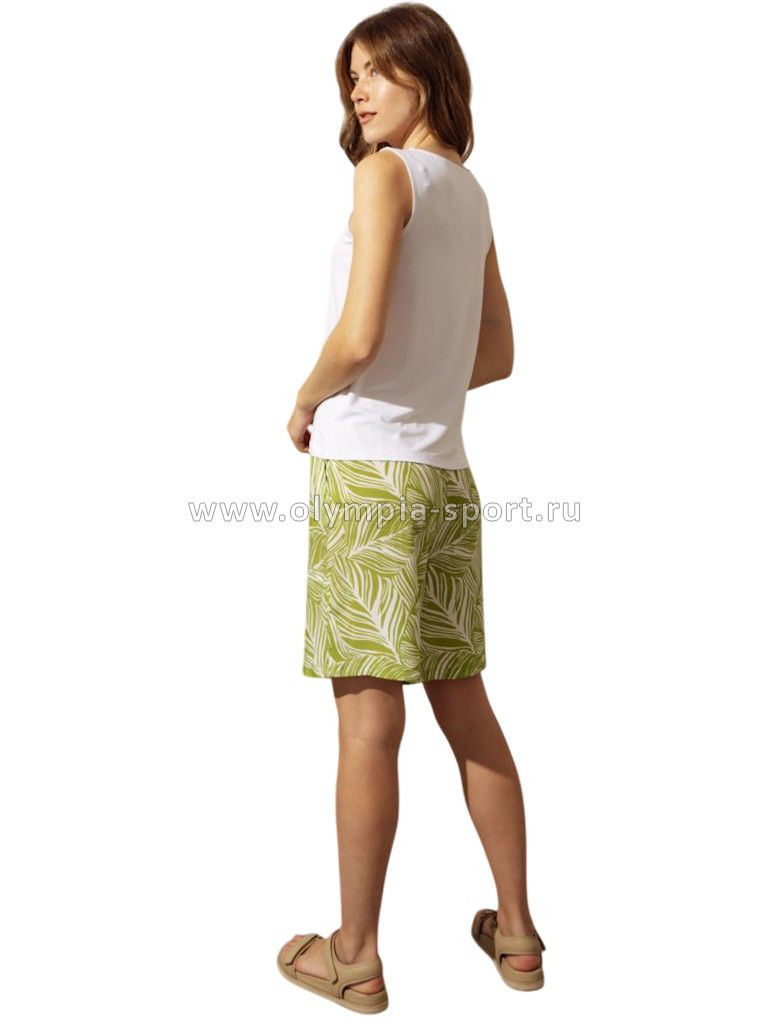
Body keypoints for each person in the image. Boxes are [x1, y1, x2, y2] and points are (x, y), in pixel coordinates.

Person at [279, 5, 545, 1012]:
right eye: (349, 75)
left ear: (425, 75)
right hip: (443, 479)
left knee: (366, 723)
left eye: (375, 71)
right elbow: (497, 354)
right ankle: (516, 935)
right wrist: (422, 385)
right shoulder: (468, 193)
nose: (357, 90)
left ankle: (353, 955)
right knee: (465, 703)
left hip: (367, 482)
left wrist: (306, 400)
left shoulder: (384, 174)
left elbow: (356, 338)